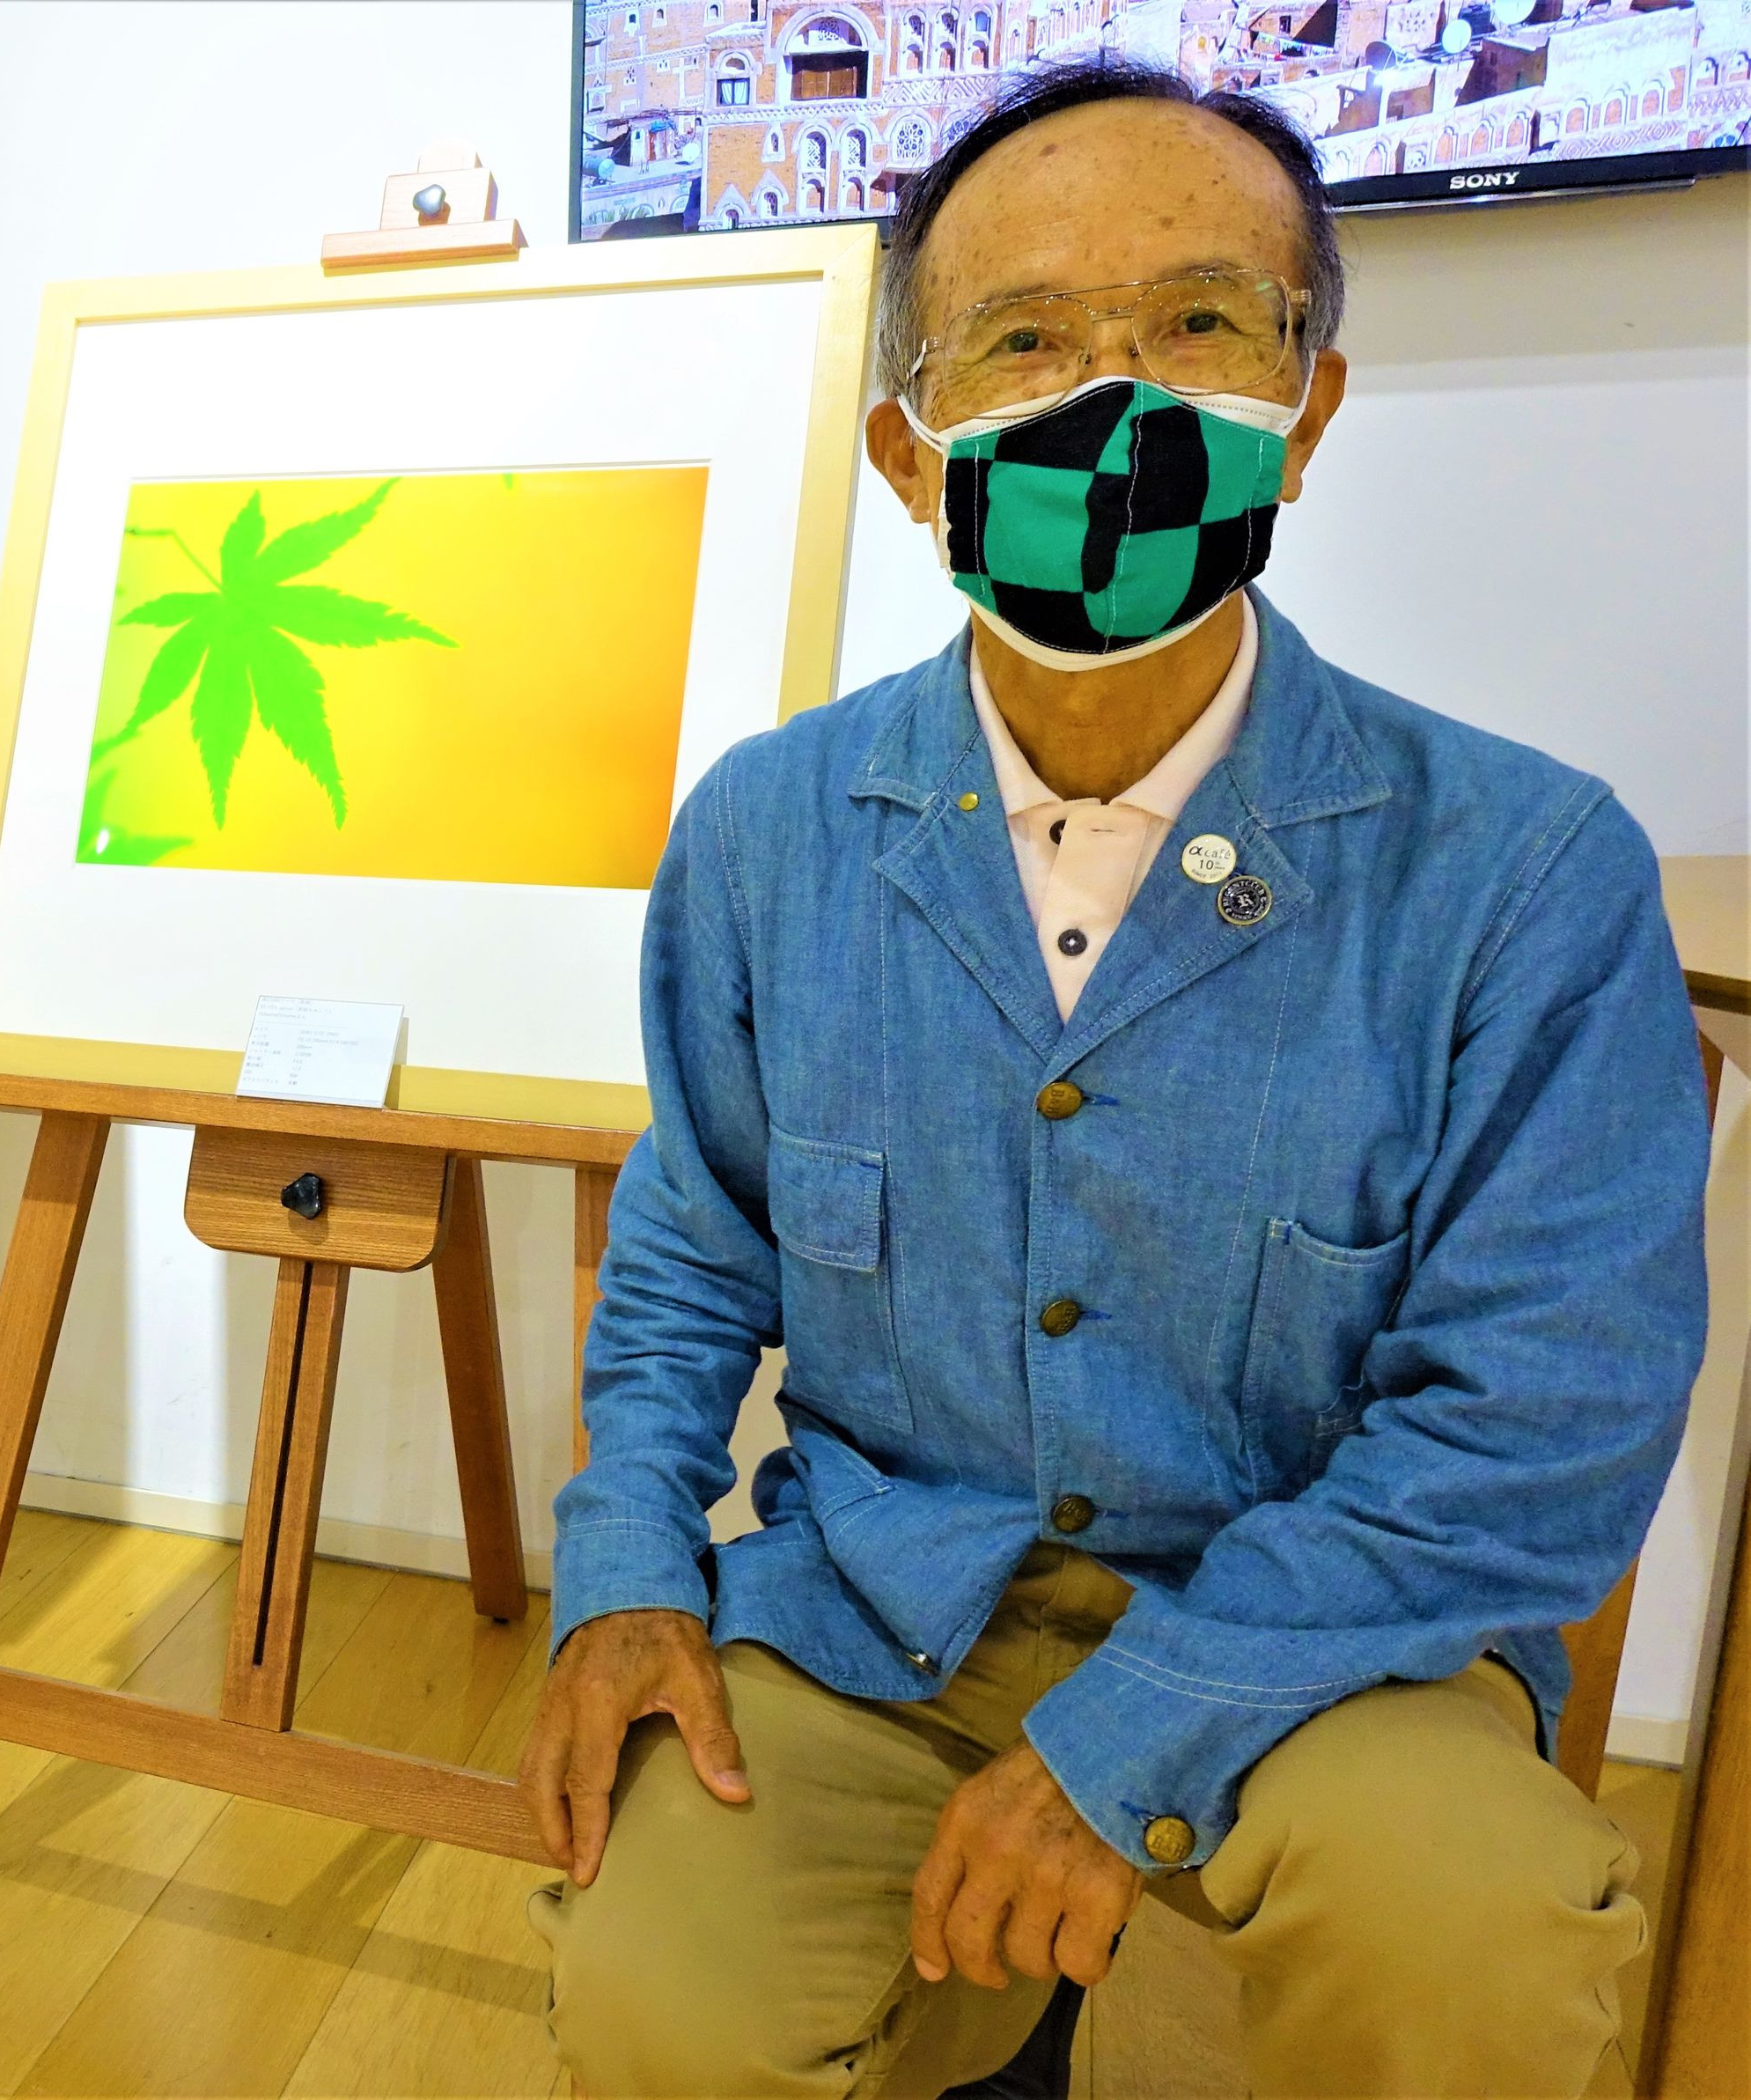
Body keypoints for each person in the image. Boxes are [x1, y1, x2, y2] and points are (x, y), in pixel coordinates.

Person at [522, 58, 1710, 2098]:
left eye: (1198, 320)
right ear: (909, 455)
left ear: (1304, 410)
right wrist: (624, 1562)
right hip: (876, 1616)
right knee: (656, 1998)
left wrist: (1134, 1731)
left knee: (1470, 1944)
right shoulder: (766, 834)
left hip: (1336, 1649)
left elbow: (1540, 1419)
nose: (1113, 396)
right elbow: (690, 1259)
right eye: (1021, 338)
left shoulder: (1519, 868)